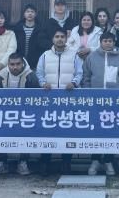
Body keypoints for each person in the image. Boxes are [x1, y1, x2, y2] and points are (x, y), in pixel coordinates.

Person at [82, 33, 119, 176]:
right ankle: (95, 160)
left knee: (110, 132)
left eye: (110, 41)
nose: (108, 43)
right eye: (105, 41)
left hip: (113, 104)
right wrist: (89, 95)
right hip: (95, 102)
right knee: (95, 132)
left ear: (114, 42)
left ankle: (108, 161)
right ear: (100, 42)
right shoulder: (91, 57)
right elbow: (86, 77)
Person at [36, 29, 83, 175]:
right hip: (49, 99)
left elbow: (80, 73)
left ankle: (66, 162)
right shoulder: (45, 55)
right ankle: (45, 162)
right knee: (47, 131)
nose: (60, 39)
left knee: (67, 131)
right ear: (53, 39)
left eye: (62, 36)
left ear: (66, 39)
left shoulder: (74, 55)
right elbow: (39, 73)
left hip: (68, 98)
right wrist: (43, 83)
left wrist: (74, 83)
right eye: (57, 36)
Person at [0, 53, 40, 176]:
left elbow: (37, 98)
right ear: (8, 64)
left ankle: (23, 161)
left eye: (18, 64)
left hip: (25, 114)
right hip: (5, 113)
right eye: (12, 64)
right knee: (0, 134)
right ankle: (1, 161)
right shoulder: (0, 76)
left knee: (25, 135)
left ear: (23, 64)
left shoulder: (31, 76)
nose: (15, 67)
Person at [12, 4, 48, 71]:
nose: (30, 13)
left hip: (35, 64)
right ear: (24, 14)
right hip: (19, 63)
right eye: (27, 11)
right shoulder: (17, 29)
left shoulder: (41, 29)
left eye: (32, 12)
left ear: (35, 14)